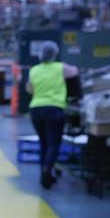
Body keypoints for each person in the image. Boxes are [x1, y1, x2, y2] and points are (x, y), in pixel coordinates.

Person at [26, 41, 79, 188]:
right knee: (53, 144)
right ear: (54, 54)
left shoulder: (34, 70)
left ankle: (44, 173)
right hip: (55, 110)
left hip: (36, 111)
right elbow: (75, 72)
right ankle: (47, 171)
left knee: (43, 143)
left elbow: (29, 89)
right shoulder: (61, 68)